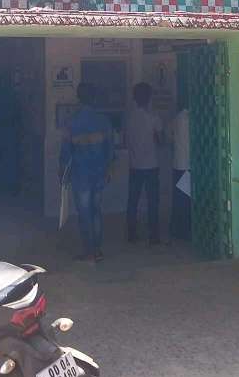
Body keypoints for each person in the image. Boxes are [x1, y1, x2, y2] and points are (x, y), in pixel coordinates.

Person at [59, 82, 113, 262]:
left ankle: (88, 251)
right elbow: (110, 149)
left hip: (80, 174)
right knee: (96, 210)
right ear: (94, 98)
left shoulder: (72, 122)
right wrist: (108, 168)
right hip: (99, 172)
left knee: (84, 213)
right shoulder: (103, 121)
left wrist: (62, 170)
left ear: (78, 97)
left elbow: (66, 151)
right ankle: (97, 250)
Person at [126, 82, 162, 245]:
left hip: (134, 165)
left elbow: (126, 140)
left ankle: (131, 234)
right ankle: (154, 235)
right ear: (149, 97)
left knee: (132, 201)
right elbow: (160, 140)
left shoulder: (129, 117)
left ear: (134, 98)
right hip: (151, 165)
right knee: (152, 201)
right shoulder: (154, 117)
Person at [170, 105, 192, 241]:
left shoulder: (176, 118)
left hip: (177, 164)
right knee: (185, 200)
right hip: (187, 165)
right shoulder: (189, 119)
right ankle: (184, 231)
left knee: (179, 200)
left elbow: (170, 137)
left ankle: (176, 229)